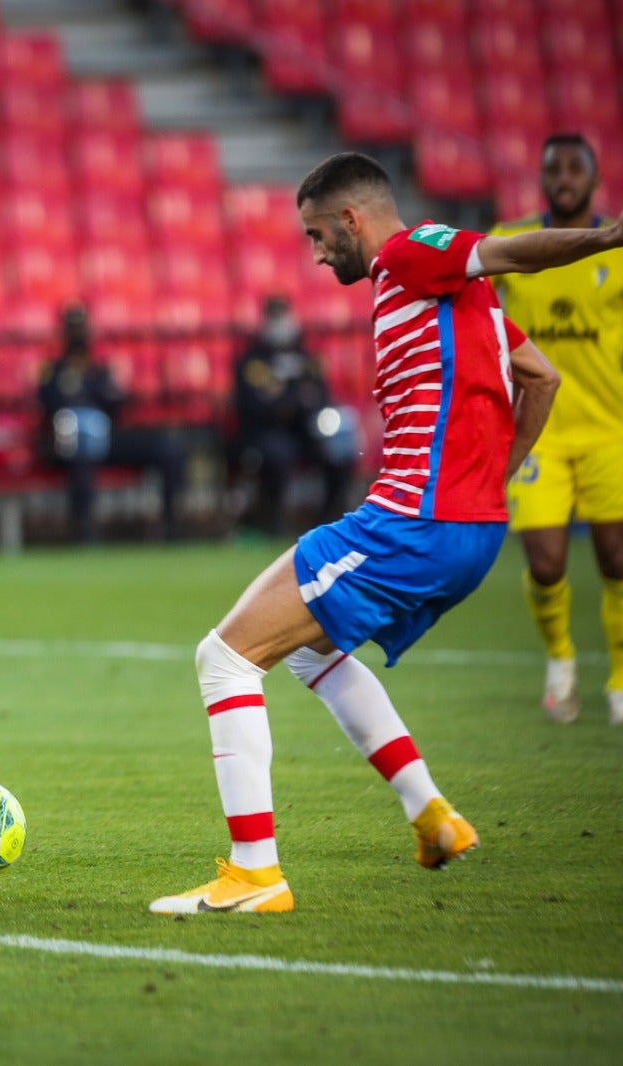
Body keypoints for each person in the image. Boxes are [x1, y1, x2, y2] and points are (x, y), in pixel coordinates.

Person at [151, 151, 620, 915]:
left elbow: (505, 253)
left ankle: (254, 874)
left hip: (414, 521)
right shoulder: (463, 305)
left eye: (316, 235)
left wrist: (606, 239)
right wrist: (493, 482)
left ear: (351, 220)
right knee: (311, 650)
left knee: (224, 658)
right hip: (464, 528)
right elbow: (541, 377)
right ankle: (433, 817)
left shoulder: (411, 254)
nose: (313, 252)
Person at [489, 133, 623, 725]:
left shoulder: (616, 247)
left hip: (609, 431)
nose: (564, 177)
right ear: (541, 179)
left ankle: (620, 678)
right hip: (536, 430)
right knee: (546, 561)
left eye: (574, 168)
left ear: (594, 178)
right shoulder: (513, 241)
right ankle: (561, 661)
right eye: (553, 168)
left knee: (617, 560)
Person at [37, 301, 186, 541]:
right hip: (69, 443)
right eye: (73, 329)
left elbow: (116, 404)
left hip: (105, 437)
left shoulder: (100, 369)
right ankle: (84, 531)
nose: (78, 335)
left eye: (82, 328)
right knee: (80, 455)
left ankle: (170, 525)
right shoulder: (52, 370)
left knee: (166, 448)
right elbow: (50, 405)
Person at [231, 295, 356, 535]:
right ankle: (274, 523)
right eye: (275, 318)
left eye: (284, 316)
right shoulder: (253, 360)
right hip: (267, 432)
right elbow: (256, 406)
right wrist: (295, 400)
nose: (282, 325)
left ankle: (330, 521)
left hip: (305, 430)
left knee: (338, 453)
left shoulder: (306, 357)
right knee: (278, 456)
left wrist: (290, 401)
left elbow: (321, 397)